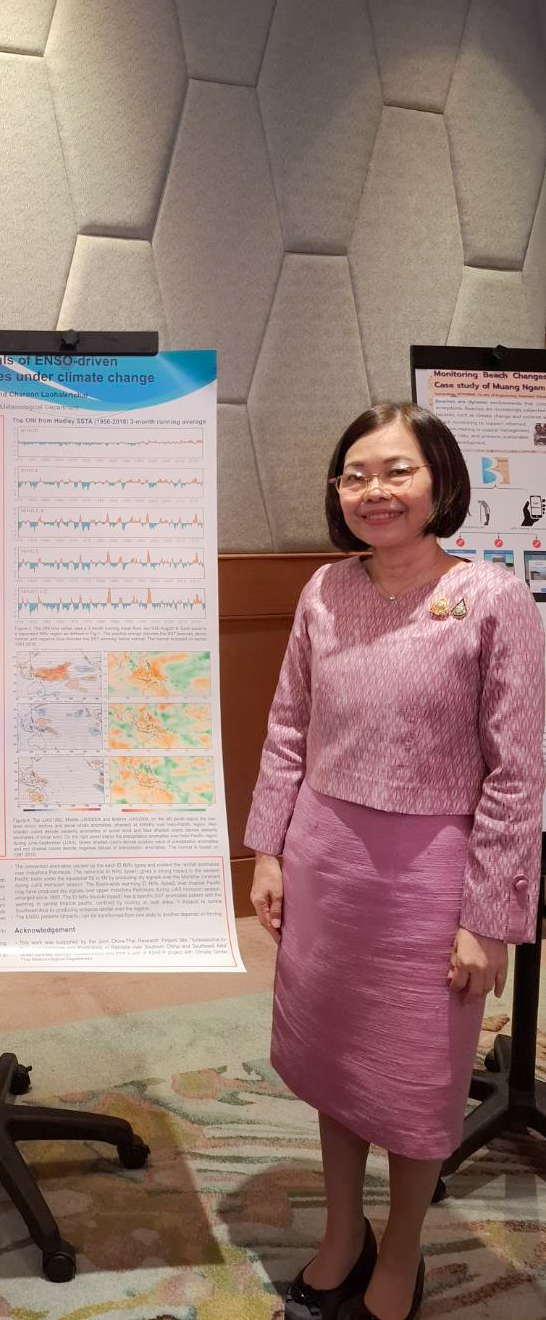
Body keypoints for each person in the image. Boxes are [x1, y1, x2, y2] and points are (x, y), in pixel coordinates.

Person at [245, 402, 544, 1320]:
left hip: (432, 878)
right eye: (356, 474)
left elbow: (519, 771)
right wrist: (268, 850)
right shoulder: (323, 590)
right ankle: (344, 1232)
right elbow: (288, 726)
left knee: (418, 1080)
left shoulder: (493, 598)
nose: (374, 490)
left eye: (397, 470)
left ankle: (401, 1250)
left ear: (439, 480)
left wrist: (488, 919)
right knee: (335, 1057)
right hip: (324, 860)